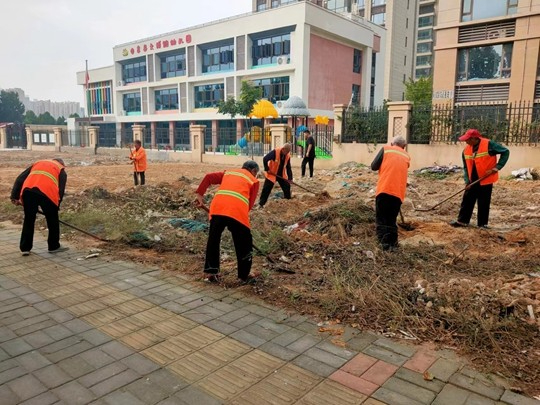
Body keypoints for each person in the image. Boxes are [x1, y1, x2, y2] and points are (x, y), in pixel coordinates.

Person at [195, 160, 261, 283]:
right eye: (256, 173)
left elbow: (208, 177)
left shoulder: (229, 173)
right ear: (253, 171)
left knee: (213, 240)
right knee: (244, 243)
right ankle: (243, 276)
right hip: (236, 211)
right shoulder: (254, 180)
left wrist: (200, 195)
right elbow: (249, 204)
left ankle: (211, 272)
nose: (255, 175)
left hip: (217, 208)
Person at [450, 129, 510, 229]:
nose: (466, 142)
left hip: (485, 178)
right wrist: (467, 180)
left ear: (474, 138)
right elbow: (465, 167)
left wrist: (496, 167)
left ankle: (482, 224)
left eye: (468, 139)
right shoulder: (466, 150)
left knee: (484, 201)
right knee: (467, 200)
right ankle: (462, 221)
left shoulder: (489, 144)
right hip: (472, 179)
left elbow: (505, 152)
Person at [10, 158, 68, 256]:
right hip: (47, 193)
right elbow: (60, 190)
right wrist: (56, 206)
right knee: (52, 219)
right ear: (62, 164)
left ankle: (25, 248)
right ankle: (53, 246)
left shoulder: (38, 163)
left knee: (29, 219)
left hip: (28, 191)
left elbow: (20, 178)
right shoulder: (61, 169)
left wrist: (14, 196)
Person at [371, 136, 410, 251]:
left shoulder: (386, 149)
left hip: (384, 189)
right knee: (392, 219)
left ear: (392, 143)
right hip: (398, 193)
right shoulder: (407, 156)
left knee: (382, 218)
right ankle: (393, 244)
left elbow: (373, 167)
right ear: (404, 146)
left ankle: (384, 244)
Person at [258, 143, 293, 208]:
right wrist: (267, 169)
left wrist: (290, 178)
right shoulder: (275, 152)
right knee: (266, 189)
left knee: (287, 186)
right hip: (272, 174)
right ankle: (261, 204)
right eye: (287, 151)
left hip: (281, 175)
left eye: (288, 152)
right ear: (283, 149)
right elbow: (265, 159)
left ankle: (288, 201)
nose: (287, 153)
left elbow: (288, 167)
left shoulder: (287, 156)